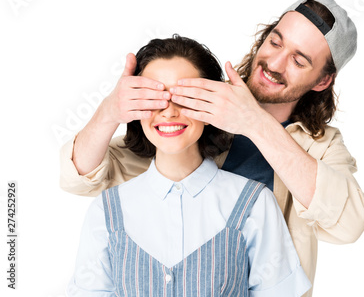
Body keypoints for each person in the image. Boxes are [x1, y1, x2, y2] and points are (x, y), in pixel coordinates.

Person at [61, 0, 364, 297]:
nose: (274, 63)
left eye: (298, 60)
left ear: (322, 81)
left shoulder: (322, 146)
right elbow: (79, 177)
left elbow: (349, 224)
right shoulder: (196, 109)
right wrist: (108, 112)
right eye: (275, 42)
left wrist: (256, 124)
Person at [67, 35, 311, 296]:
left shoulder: (254, 204)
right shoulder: (106, 212)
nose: (169, 111)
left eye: (184, 97)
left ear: (211, 108)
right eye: (154, 97)